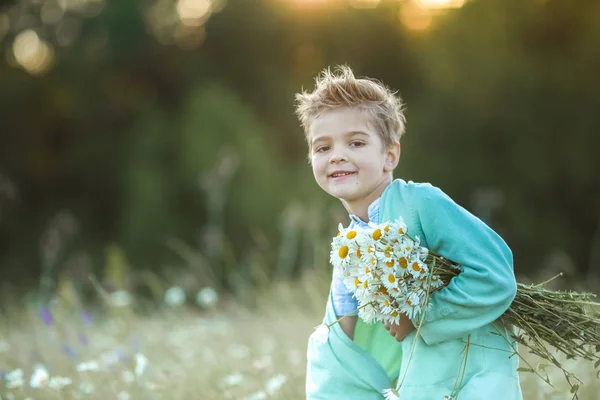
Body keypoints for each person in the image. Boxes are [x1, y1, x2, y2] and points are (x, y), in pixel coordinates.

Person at [294, 65, 522, 400]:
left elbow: (495, 274)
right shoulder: (348, 245)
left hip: (469, 376)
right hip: (419, 385)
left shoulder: (421, 204)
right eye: (322, 148)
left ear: (390, 155)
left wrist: (420, 318)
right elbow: (342, 337)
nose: (337, 155)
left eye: (355, 143)